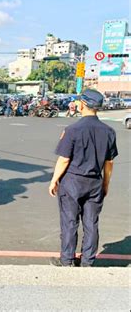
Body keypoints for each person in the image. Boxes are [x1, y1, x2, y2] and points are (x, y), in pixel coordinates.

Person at [48, 89, 118, 267]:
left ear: (84, 104)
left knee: (70, 222)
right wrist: (105, 184)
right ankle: (87, 262)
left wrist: (54, 179)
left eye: (79, 101)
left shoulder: (73, 130)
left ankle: (67, 260)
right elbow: (109, 163)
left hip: (72, 181)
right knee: (91, 223)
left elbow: (64, 159)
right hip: (95, 181)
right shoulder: (109, 131)